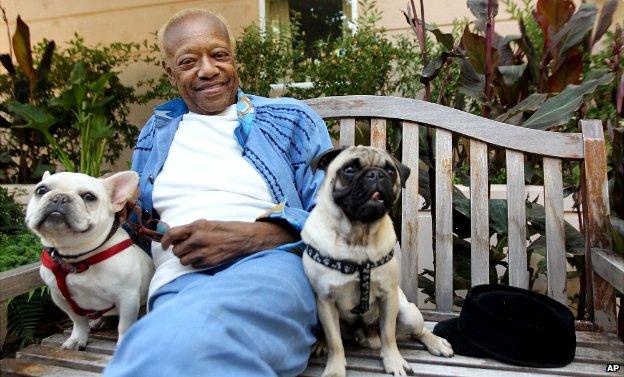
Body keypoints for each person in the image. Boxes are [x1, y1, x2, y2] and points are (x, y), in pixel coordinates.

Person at [103, 8, 333, 377]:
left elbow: (335, 219)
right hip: (177, 280)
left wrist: (257, 236)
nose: (208, 70)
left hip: (270, 265)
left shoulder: (291, 119)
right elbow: (136, 224)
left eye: (219, 55)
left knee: (182, 345)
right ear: (170, 72)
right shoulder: (155, 133)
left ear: (233, 57)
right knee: (168, 343)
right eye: (189, 61)